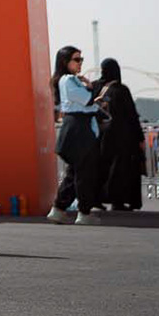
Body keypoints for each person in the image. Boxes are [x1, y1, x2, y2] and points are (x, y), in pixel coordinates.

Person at [48, 44, 103, 224]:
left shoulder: (70, 80)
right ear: (65, 61)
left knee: (75, 172)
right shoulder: (68, 80)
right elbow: (87, 100)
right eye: (76, 59)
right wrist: (91, 88)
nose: (80, 63)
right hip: (79, 129)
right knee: (84, 172)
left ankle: (59, 209)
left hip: (78, 128)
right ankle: (84, 212)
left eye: (81, 59)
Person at [94, 59, 144, 212]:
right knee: (121, 169)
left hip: (100, 135)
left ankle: (97, 199)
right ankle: (118, 201)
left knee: (101, 167)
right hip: (122, 137)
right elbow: (131, 115)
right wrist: (140, 137)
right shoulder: (121, 90)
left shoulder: (96, 87)